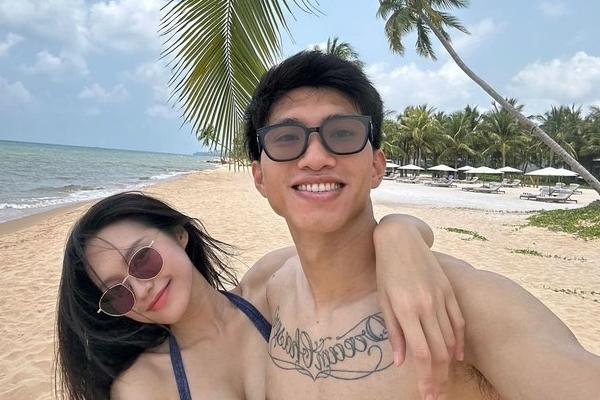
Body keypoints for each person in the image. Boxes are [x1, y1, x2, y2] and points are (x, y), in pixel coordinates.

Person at [244, 50, 600, 400]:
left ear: (376, 167)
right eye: (286, 138)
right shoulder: (270, 284)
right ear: (260, 177)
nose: (316, 158)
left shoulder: (462, 304)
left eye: (343, 134)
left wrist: (397, 229)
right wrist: (401, 229)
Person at [55, 191, 461, 399]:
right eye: (118, 293)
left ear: (179, 235)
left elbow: (359, 248)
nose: (141, 288)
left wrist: (395, 233)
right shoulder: (143, 385)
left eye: (142, 259)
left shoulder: (271, 288)